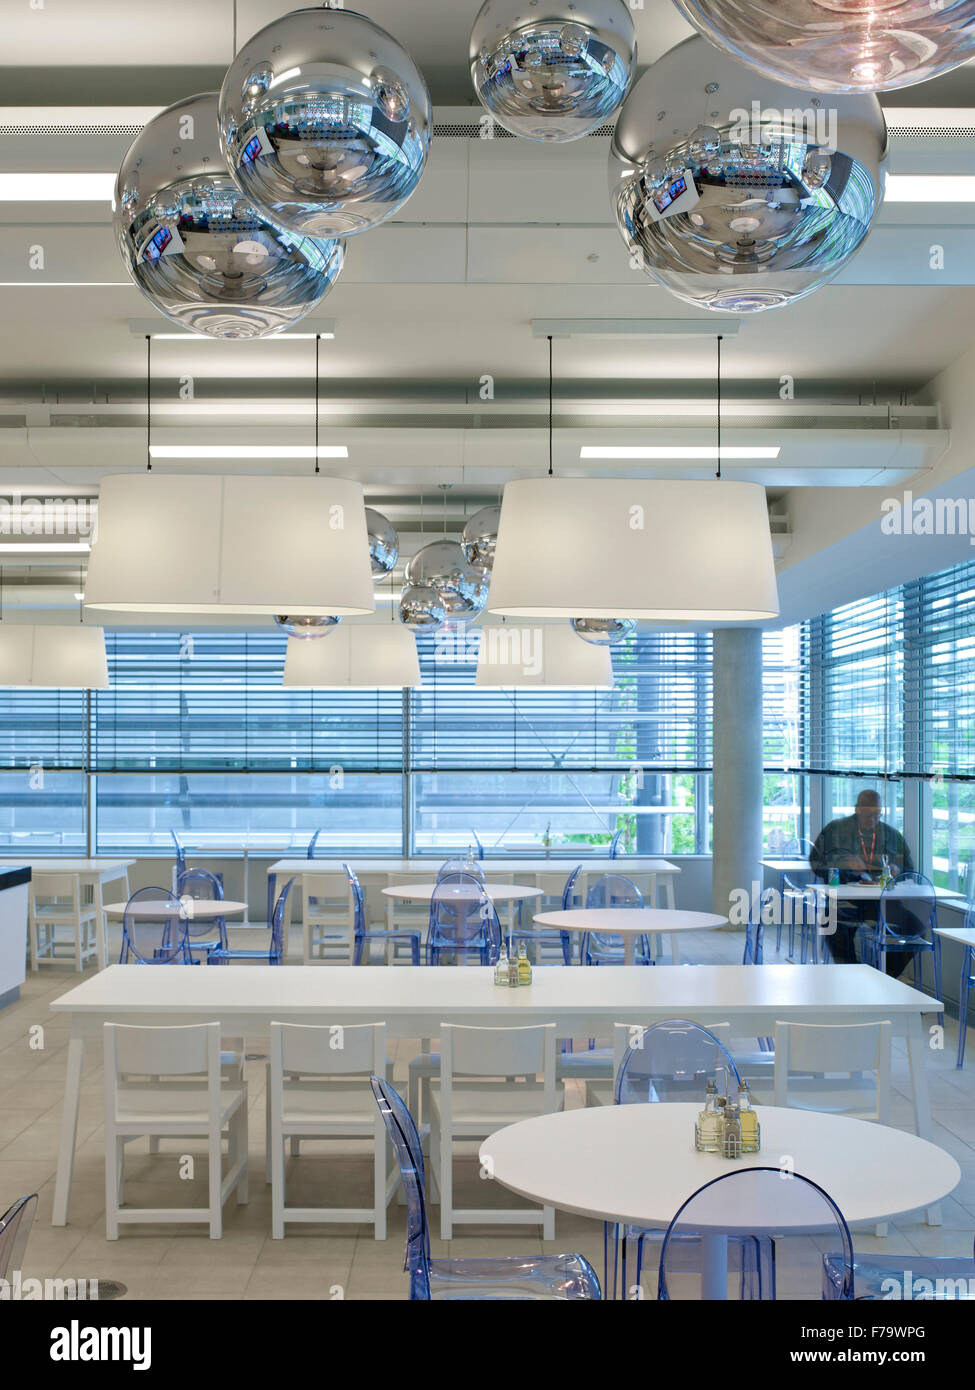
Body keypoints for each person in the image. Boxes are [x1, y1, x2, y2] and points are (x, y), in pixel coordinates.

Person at [809, 790, 918, 975]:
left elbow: (910, 870)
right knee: (832, 927)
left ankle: (882, 975)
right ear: (857, 809)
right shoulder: (836, 829)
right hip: (845, 902)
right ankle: (853, 976)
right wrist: (843, 863)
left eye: (878, 814)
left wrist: (897, 870)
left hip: (881, 902)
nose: (874, 819)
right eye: (869, 815)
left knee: (914, 928)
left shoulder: (890, 834)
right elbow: (815, 863)